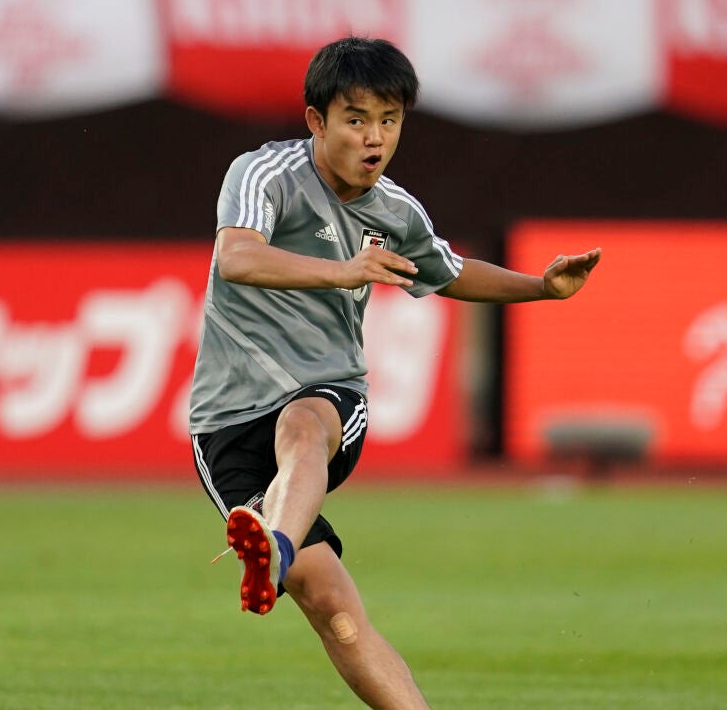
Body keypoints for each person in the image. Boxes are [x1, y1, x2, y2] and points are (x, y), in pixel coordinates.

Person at [188, 36, 600, 709]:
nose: (375, 137)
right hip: (226, 420)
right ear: (316, 120)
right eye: (356, 119)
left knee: (304, 424)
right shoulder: (264, 174)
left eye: (390, 120)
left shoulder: (395, 212)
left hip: (327, 393)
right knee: (335, 611)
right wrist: (343, 270)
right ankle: (282, 555)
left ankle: (275, 546)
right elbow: (237, 257)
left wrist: (541, 288)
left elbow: (450, 271)